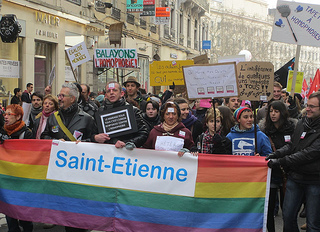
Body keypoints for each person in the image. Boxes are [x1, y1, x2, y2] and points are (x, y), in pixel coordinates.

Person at [266, 91, 320, 232]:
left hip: (315, 180)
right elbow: (292, 145)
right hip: (295, 178)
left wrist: (281, 161)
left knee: (313, 224)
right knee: (288, 217)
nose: (307, 108)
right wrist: (276, 153)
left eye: (312, 107)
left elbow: (308, 154)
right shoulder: (302, 123)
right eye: (307, 105)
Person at [259, 100, 297, 232]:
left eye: (276, 111)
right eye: (271, 111)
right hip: (271, 172)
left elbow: (293, 148)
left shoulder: (292, 128)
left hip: (288, 172)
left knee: (288, 210)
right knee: (268, 209)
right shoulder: (264, 130)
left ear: (282, 112)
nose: (273, 114)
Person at [0, 104, 33, 232]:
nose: (6, 117)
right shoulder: (2, 132)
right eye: (5, 114)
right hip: (7, 178)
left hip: (22, 179)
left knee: (23, 209)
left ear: (18, 116)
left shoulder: (26, 133)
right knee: (9, 208)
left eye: (10, 114)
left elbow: (31, 157)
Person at [94, 81, 148, 149]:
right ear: (106, 95)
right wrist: (95, 138)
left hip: (127, 153)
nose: (111, 93)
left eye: (114, 90)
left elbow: (143, 133)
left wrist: (129, 143)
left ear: (121, 93)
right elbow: (92, 133)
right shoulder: (100, 111)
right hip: (106, 154)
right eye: (108, 91)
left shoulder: (133, 111)